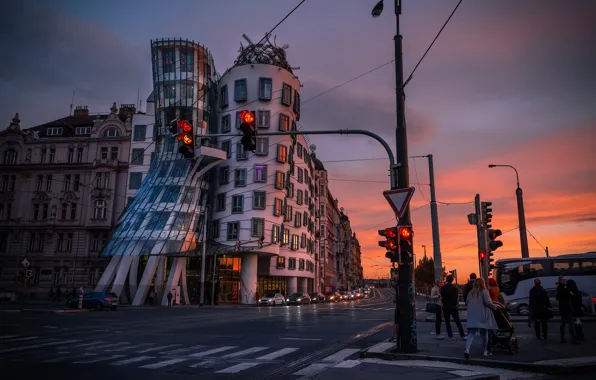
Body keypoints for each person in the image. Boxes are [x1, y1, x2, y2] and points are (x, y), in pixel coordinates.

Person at [464, 278, 497, 359]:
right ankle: (485, 351)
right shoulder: (484, 291)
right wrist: (495, 307)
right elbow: (488, 302)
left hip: (472, 315)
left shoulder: (471, 292)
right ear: (483, 284)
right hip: (482, 314)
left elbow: (467, 302)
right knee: (484, 333)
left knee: (471, 334)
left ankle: (467, 350)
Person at [440, 275, 466, 341]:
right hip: (453, 306)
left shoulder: (443, 288)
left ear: (446, 279)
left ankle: (450, 336)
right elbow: (456, 297)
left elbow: (442, 296)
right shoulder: (455, 288)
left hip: (445, 306)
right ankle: (462, 335)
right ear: (452, 280)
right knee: (457, 321)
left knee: (447, 322)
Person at [556, 276, 578, 344]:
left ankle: (564, 338)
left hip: (565, 308)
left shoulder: (563, 287)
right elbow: (567, 295)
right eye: (563, 279)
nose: (565, 280)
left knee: (564, 324)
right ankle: (572, 339)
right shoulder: (562, 287)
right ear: (560, 280)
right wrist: (569, 292)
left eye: (565, 279)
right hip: (566, 308)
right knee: (568, 324)